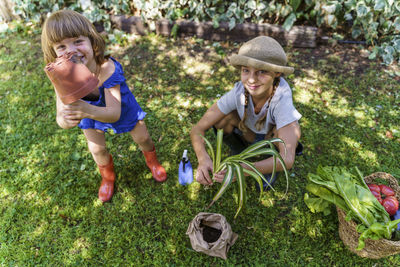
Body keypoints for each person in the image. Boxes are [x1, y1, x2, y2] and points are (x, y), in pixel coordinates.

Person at [41, 10, 167, 202]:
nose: (71, 51)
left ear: (92, 40)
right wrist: (66, 120)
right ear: (53, 52)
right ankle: (108, 177)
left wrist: (84, 110)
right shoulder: (62, 75)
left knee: (143, 137)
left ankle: (153, 161)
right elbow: (61, 117)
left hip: (119, 107)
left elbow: (114, 113)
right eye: (61, 46)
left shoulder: (106, 68)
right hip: (89, 113)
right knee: (97, 149)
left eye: (77, 41)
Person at [190, 36, 302, 188]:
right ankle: (240, 151)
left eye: (262, 71)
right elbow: (198, 129)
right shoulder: (239, 91)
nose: (251, 79)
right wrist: (203, 158)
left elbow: (287, 159)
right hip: (249, 132)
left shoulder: (282, 100)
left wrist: (244, 170)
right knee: (223, 119)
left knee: (286, 133)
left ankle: (268, 163)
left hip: (269, 138)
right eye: (246, 70)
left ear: (277, 73)